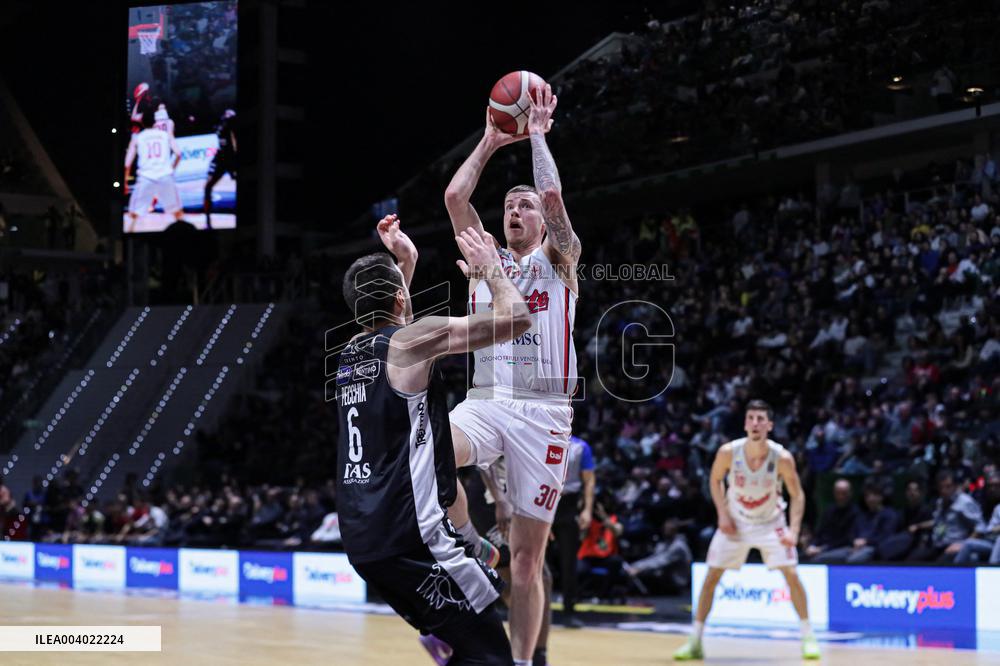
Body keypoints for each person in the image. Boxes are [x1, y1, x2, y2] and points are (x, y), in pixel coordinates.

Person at [335, 217, 531, 665]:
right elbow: (516, 319)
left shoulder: (348, 354)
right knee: (493, 655)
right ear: (401, 298)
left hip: (365, 541)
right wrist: (491, 270)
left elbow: (386, 320)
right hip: (414, 537)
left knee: (468, 643)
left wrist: (407, 261)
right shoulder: (411, 343)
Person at [443, 84, 581, 666]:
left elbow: (552, 197)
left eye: (523, 207)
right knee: (423, 449)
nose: (514, 212)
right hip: (487, 398)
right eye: (509, 207)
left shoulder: (559, 258)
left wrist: (538, 134)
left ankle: (522, 664)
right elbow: (455, 194)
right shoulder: (483, 258)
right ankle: (472, 542)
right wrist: (491, 139)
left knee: (527, 563)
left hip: (545, 412)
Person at [674, 399, 820, 661]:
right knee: (711, 578)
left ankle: (808, 636)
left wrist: (794, 531)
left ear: (770, 425)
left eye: (761, 419)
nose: (755, 423)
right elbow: (715, 479)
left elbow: (797, 495)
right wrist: (722, 514)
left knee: (792, 576)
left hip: (771, 522)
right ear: (744, 423)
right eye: (751, 418)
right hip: (737, 521)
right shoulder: (729, 452)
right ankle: (695, 640)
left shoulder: (782, 458)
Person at [549, 433, 595, 627]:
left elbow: (589, 480)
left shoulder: (580, 447)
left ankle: (569, 610)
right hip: (546, 499)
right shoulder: (544, 439)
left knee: (569, 560)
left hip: (568, 505)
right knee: (538, 558)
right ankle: (538, 608)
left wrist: (587, 509)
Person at [807, 481, 898, 564]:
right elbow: (852, 534)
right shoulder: (863, 515)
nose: (870, 499)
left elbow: (886, 537)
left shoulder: (890, 515)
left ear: (881, 497)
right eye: (867, 496)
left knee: (853, 560)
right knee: (819, 558)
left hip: (874, 548)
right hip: (852, 548)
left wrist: (866, 541)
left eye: (874, 495)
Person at [124, 107, 183, 233]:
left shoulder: (137, 137)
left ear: (142, 123)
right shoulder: (165, 135)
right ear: (155, 122)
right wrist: (171, 170)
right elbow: (179, 154)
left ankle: (127, 241)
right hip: (165, 176)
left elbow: (127, 164)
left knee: (133, 215)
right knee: (177, 214)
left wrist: (124, 182)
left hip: (146, 178)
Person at [906, 469, 985, 562]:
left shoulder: (965, 502)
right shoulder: (940, 502)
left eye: (948, 486)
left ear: (955, 486)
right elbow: (938, 522)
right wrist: (919, 526)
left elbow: (980, 527)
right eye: (941, 487)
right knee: (913, 559)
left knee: (939, 564)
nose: (944, 490)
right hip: (938, 545)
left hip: (955, 547)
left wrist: (963, 545)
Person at [803, 479, 860, 562]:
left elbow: (848, 539)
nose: (841, 496)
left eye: (844, 493)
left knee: (818, 559)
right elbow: (819, 533)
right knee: (801, 556)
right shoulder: (829, 511)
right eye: (838, 493)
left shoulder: (855, 512)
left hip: (843, 549)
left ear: (850, 493)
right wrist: (813, 545)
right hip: (823, 548)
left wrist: (822, 549)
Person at [203, 109, 237, 229]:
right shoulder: (220, 125)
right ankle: (207, 222)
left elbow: (234, 144)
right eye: (226, 116)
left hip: (231, 159)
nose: (227, 118)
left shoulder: (232, 127)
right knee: (207, 187)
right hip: (220, 159)